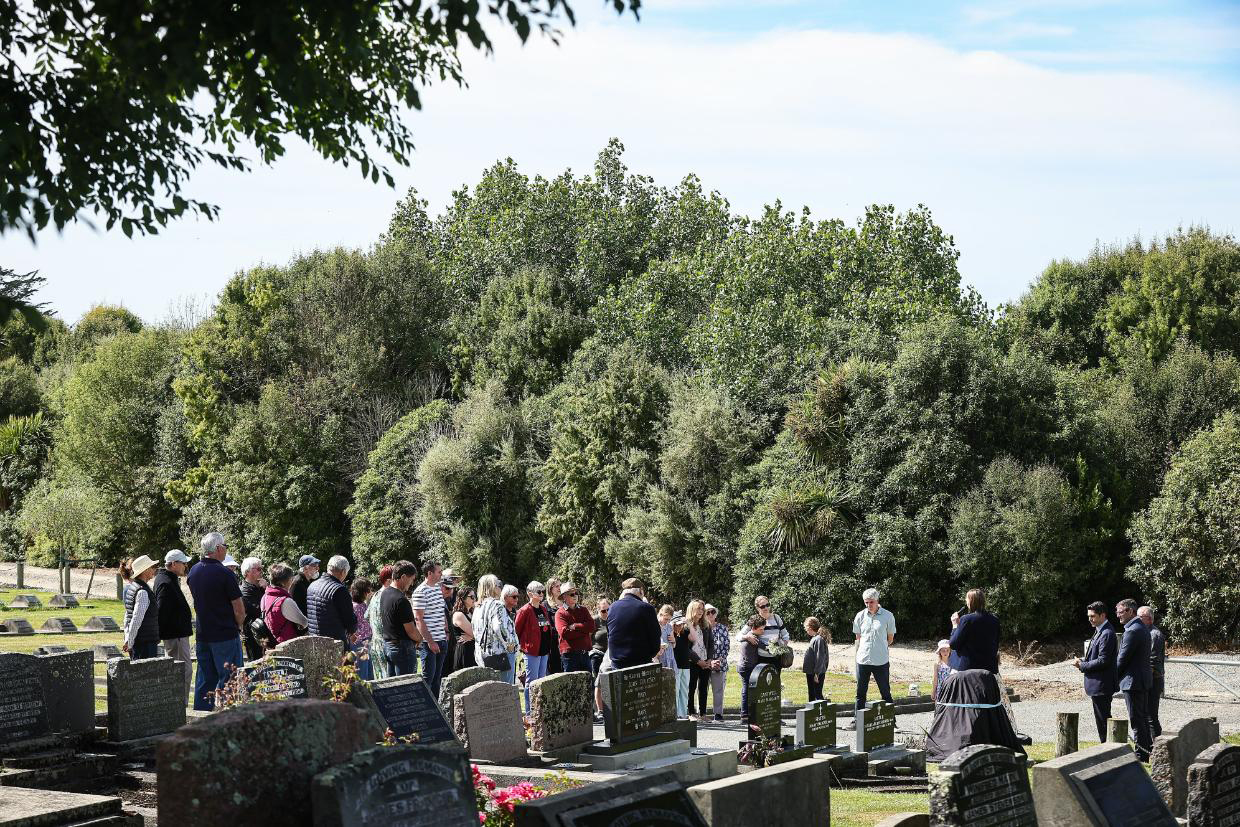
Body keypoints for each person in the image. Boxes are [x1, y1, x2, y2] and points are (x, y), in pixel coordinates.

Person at [187, 532, 245, 711]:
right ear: (219, 548)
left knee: (205, 679)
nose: (226, 549)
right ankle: (230, 718)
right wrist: (240, 625)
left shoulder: (193, 571)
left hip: (203, 633)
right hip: (225, 633)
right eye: (225, 546)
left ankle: (201, 717)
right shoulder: (225, 574)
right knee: (231, 678)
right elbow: (239, 608)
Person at [1073, 600, 1118, 743]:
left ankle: (1108, 750)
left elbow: (1103, 660)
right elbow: (1095, 656)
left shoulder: (1107, 633)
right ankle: (1106, 748)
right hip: (1097, 685)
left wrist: (1082, 665)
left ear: (1102, 615)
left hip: (1102, 686)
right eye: (1089, 616)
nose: (1090, 619)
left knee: (1104, 721)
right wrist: (1082, 661)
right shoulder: (1100, 631)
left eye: (1093, 616)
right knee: (1101, 721)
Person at [1115, 598, 1153, 761]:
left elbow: (1122, 659)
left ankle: (1141, 754)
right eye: (1117, 612)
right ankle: (1147, 751)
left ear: (1130, 611)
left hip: (1133, 682)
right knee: (1142, 718)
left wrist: (1110, 677)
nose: (1118, 616)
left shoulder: (1132, 630)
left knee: (1137, 721)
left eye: (1120, 612)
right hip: (1140, 681)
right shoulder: (1140, 627)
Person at [154, 550, 194, 698]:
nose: (185, 566)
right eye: (183, 563)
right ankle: (178, 707)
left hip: (177, 634)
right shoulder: (165, 582)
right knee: (182, 672)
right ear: (174, 564)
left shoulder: (169, 578)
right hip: (175, 635)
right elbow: (162, 611)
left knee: (181, 671)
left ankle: (176, 705)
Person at [852, 587, 897, 709]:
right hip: (863, 659)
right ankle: (857, 721)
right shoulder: (860, 616)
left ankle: (891, 722)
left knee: (885, 692)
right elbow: (858, 637)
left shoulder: (888, 616)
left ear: (877, 601)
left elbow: (890, 638)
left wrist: (879, 647)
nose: (868, 605)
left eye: (871, 602)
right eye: (866, 602)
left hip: (880, 660)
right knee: (860, 693)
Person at [607, 578, 663, 670]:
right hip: (640, 663)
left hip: (617, 664)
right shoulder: (646, 608)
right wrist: (650, 655)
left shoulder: (612, 607)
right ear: (641, 591)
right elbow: (655, 637)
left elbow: (610, 634)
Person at [515, 581, 554, 710]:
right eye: (539, 591)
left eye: (543, 591)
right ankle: (529, 711)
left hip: (544, 650)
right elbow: (517, 630)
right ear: (530, 594)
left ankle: (540, 710)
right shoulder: (524, 610)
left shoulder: (543, 608)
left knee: (542, 680)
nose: (542, 594)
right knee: (531, 682)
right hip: (532, 651)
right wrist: (524, 646)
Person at [412, 561, 449, 696]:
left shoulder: (437, 588)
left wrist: (446, 632)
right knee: (428, 679)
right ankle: (426, 710)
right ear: (429, 573)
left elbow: (441, 612)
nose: (441, 574)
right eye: (439, 571)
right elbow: (418, 619)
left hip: (441, 639)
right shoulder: (420, 591)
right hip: (429, 643)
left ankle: (437, 711)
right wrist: (430, 642)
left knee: (437, 678)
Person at [474, 575, 518, 682]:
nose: (500, 587)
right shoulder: (497, 604)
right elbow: (499, 628)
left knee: (490, 693)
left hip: (483, 656)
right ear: (492, 587)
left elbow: (475, 631)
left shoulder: (478, 607)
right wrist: (511, 647)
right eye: (498, 584)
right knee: (506, 692)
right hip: (501, 655)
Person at [380, 561, 421, 676]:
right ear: (403, 577)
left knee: (392, 688)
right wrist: (420, 639)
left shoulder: (385, 593)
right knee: (406, 688)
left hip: (389, 646)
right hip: (402, 649)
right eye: (411, 579)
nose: (412, 583)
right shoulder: (401, 600)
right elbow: (411, 630)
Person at [307, 555, 358, 646]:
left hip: (313, 640)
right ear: (343, 572)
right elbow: (349, 620)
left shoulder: (312, 585)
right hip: (333, 642)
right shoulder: (339, 590)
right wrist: (353, 629)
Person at [949, 588, 1000, 673]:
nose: (966, 601)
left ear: (971, 601)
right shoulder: (994, 619)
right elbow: (996, 644)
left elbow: (953, 644)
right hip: (989, 668)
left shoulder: (966, 619)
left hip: (967, 669)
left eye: (966, 599)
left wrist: (955, 626)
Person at [122, 555, 161, 660]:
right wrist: (129, 642)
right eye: (152, 567)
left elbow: (127, 616)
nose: (154, 570)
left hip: (140, 641)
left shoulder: (133, 587)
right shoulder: (142, 591)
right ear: (145, 570)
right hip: (144, 643)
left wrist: (128, 638)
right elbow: (136, 619)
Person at [261, 563, 310, 644]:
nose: (292, 581)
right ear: (283, 582)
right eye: (291, 579)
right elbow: (304, 622)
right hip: (288, 644)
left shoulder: (264, 597)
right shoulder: (285, 601)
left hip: (272, 642)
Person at [555, 582, 596, 673]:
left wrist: (575, 626)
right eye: (572, 594)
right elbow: (565, 633)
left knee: (588, 683)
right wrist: (584, 630)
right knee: (572, 685)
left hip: (585, 653)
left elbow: (592, 626)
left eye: (576, 593)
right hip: (569, 655)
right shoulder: (560, 613)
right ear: (564, 597)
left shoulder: (583, 609)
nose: (575, 596)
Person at [1138, 605, 1166, 737]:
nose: (1136, 619)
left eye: (1140, 617)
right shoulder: (1143, 633)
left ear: (1149, 619)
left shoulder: (1155, 635)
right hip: (1147, 678)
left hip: (1154, 680)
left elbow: (1152, 660)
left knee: (1151, 716)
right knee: (1144, 715)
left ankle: (1158, 747)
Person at [743, 596, 791, 671]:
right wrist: (747, 637)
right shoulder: (755, 619)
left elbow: (785, 635)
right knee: (761, 682)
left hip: (776, 658)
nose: (766, 608)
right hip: (760, 659)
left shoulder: (776, 618)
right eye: (762, 606)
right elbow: (739, 636)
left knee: (775, 682)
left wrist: (782, 645)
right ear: (757, 608)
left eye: (767, 605)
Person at [685, 600, 711, 721]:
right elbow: (685, 647)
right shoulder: (685, 626)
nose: (701, 611)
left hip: (705, 661)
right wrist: (697, 660)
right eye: (698, 608)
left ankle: (703, 713)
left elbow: (710, 644)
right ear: (692, 609)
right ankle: (691, 712)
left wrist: (709, 659)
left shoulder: (706, 625)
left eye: (702, 609)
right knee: (691, 687)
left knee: (704, 687)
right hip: (692, 661)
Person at [366, 566, 394, 680]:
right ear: (388, 580)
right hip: (386, 645)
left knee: (380, 682)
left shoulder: (375, 595)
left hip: (375, 645)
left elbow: (366, 616)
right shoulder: (388, 596)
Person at [737, 614, 766, 724]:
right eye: (761, 629)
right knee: (747, 690)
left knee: (749, 690)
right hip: (746, 667)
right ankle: (744, 714)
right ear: (754, 628)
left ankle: (747, 713)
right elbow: (764, 646)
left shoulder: (753, 635)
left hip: (748, 666)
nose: (763, 631)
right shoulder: (752, 637)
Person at [239, 556, 265, 662]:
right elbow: (258, 610)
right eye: (258, 569)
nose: (261, 571)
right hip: (253, 633)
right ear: (248, 572)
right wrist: (267, 590)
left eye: (261, 568)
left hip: (263, 630)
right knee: (256, 664)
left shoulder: (260, 586)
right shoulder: (244, 590)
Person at [706, 604, 729, 722]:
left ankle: (718, 714)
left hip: (719, 664)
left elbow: (726, 647)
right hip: (704, 663)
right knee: (703, 689)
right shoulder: (702, 628)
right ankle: (702, 712)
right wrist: (708, 661)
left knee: (718, 690)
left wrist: (719, 660)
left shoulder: (723, 628)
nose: (710, 614)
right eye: (707, 612)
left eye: (712, 611)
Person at [590, 596, 610, 720]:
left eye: (608, 610)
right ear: (598, 610)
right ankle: (600, 710)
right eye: (603, 611)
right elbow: (588, 637)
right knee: (599, 681)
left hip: (611, 655)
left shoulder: (613, 619)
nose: (606, 613)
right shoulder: (595, 621)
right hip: (597, 653)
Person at [350, 578, 374, 680]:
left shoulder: (357, 605)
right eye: (368, 590)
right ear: (363, 592)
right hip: (361, 643)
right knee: (363, 673)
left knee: (366, 670)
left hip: (362, 642)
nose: (370, 592)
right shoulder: (359, 607)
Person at [802, 616, 830, 702]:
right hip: (812, 672)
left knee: (816, 694)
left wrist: (817, 673)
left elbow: (820, 657)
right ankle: (812, 713)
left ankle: (819, 713)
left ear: (810, 627)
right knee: (812, 693)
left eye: (806, 628)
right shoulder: (816, 638)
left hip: (815, 673)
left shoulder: (818, 639)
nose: (806, 630)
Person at [671, 611, 693, 719]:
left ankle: (682, 713)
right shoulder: (671, 632)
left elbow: (694, 638)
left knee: (684, 690)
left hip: (686, 665)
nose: (679, 626)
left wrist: (688, 623)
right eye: (677, 624)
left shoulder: (686, 631)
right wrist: (671, 627)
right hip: (675, 665)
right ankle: (675, 714)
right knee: (676, 689)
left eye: (681, 624)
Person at [452, 588, 477, 672]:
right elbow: (475, 633)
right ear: (463, 598)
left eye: (475, 596)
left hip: (473, 649)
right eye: (472, 597)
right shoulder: (459, 614)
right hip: (465, 651)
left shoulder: (472, 612)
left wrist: (473, 637)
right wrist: (474, 637)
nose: (475, 599)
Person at [440, 571, 459, 677]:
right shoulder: (436, 601)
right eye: (447, 588)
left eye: (451, 588)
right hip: (440, 642)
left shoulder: (447, 601)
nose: (450, 591)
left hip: (450, 642)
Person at [544, 578, 564, 675]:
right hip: (553, 643)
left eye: (560, 585)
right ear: (550, 589)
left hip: (566, 640)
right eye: (557, 586)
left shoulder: (566, 602)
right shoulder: (545, 605)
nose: (559, 588)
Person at [657, 605, 677, 670]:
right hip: (659, 657)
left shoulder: (669, 626)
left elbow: (674, 645)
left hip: (670, 656)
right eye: (666, 619)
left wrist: (673, 641)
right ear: (661, 614)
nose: (667, 621)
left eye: (669, 619)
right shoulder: (655, 625)